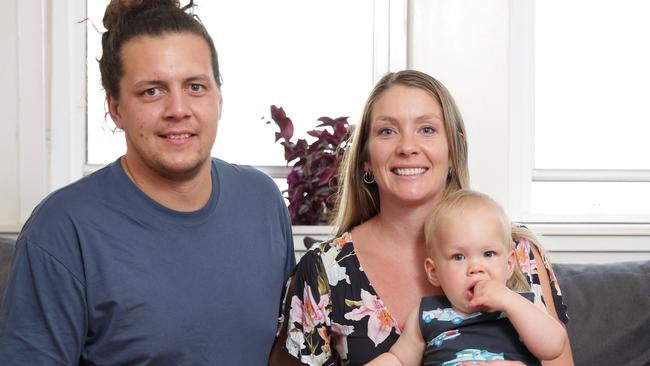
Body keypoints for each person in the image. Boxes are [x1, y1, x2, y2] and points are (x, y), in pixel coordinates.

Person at [0, 0, 295, 364]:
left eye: (195, 87)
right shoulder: (61, 229)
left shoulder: (262, 201)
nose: (178, 109)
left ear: (219, 97)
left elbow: (286, 350)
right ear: (115, 107)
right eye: (151, 91)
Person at [269, 69, 573, 366]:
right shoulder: (324, 270)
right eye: (387, 131)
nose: (407, 148)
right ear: (365, 160)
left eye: (426, 129)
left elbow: (553, 349)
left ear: (455, 150)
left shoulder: (517, 250)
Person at [366, 189, 567, 366]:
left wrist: (509, 300)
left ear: (509, 264)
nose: (475, 268)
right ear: (433, 272)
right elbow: (398, 360)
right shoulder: (428, 314)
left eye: (488, 254)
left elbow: (553, 346)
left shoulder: (524, 305)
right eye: (458, 257)